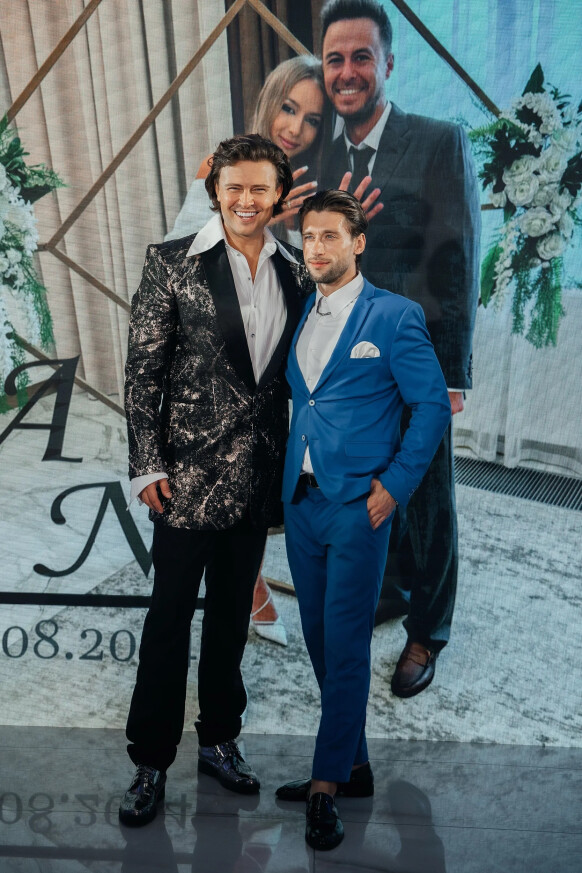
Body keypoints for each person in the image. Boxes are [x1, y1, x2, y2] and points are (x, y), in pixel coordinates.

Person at [119, 134, 312, 827]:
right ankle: (149, 761)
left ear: (279, 194)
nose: (246, 200)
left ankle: (219, 741)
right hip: (185, 479)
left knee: (232, 619)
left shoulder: (298, 271)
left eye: (260, 187)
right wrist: (146, 463)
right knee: (168, 620)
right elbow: (142, 372)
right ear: (216, 191)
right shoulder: (172, 262)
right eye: (234, 187)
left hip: (257, 478)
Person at [276, 189, 451, 850]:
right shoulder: (304, 309)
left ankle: (325, 788)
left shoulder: (395, 316)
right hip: (302, 501)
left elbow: (431, 406)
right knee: (319, 638)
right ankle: (353, 765)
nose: (316, 247)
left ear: (358, 242)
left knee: (346, 641)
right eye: (308, 236)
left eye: (330, 236)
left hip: (359, 506)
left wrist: (395, 487)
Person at [318, 0, 481, 697]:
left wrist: (453, 373)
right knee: (363, 482)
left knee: (428, 497)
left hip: (416, 359)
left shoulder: (439, 141)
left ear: (388, 63)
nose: (347, 71)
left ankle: (428, 628)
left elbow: (457, 258)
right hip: (347, 360)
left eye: (361, 56)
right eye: (335, 59)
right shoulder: (319, 154)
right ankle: (388, 590)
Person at [165, 55, 325, 645]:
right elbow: (178, 252)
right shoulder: (222, 166)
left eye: (312, 119)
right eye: (289, 108)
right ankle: (241, 587)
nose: (295, 128)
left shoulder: (311, 181)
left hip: (271, 354)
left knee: (258, 473)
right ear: (269, 101)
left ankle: (246, 579)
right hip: (209, 352)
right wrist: (259, 218)